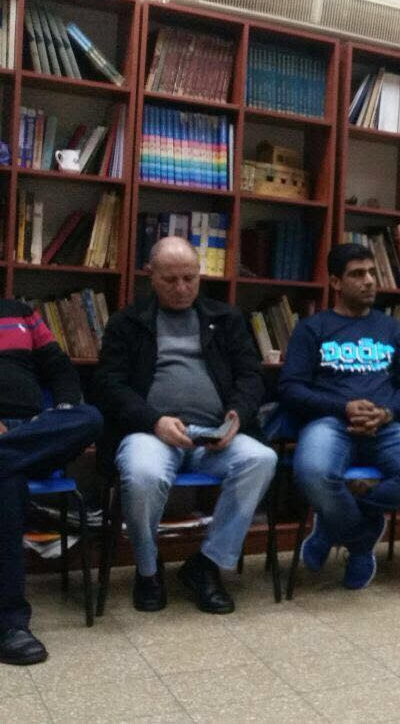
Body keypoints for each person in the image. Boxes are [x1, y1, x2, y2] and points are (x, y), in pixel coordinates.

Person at [95, 237, 277, 614]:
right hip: (150, 433)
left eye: (189, 278)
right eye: (170, 280)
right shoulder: (127, 323)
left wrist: (236, 416)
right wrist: (154, 421)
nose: (181, 288)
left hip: (214, 434)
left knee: (261, 459)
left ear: (199, 275)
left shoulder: (226, 319)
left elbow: (251, 376)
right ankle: (148, 571)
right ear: (150, 276)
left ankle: (206, 565)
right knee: (142, 474)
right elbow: (109, 386)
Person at [280, 243, 400, 591]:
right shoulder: (312, 328)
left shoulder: (392, 329)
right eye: (358, 274)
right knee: (312, 472)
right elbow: (291, 388)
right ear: (336, 282)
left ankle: (333, 525)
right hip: (330, 422)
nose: (369, 280)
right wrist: (343, 407)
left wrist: (387, 412)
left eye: (372, 272)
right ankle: (360, 541)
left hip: (384, 426)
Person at [0, 300, 102, 664]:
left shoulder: (21, 313)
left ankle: (6, 453)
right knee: (6, 482)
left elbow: (60, 369)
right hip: (18, 450)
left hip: (38, 433)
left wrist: (62, 409)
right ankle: (10, 625)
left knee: (90, 418)